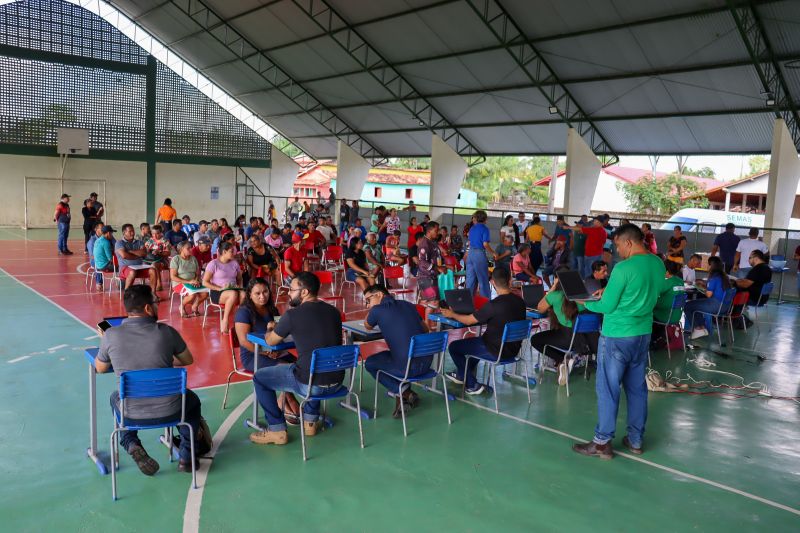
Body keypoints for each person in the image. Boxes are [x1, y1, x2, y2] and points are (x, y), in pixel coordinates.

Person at [573, 224, 665, 459]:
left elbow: (606, 306)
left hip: (617, 335)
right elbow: (648, 292)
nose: (617, 251)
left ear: (629, 242)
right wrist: (611, 292)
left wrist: (585, 302)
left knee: (608, 388)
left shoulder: (623, 268)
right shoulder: (657, 263)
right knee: (636, 389)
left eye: (617, 245)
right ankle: (635, 440)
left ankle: (602, 442)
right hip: (642, 334)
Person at [95, 285, 208, 474]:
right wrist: (163, 357)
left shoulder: (110, 335)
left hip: (132, 412)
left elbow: (100, 368)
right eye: (155, 303)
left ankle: (131, 443)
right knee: (192, 401)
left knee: (116, 397)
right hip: (172, 410)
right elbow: (187, 360)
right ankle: (187, 458)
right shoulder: (167, 332)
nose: (157, 306)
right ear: (148, 308)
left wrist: (107, 342)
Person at [248, 272, 344, 445]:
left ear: (304, 292)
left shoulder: (292, 315)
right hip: (337, 382)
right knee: (314, 367)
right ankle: (310, 422)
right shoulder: (334, 312)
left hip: (311, 386)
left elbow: (270, 341)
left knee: (259, 378)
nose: (289, 294)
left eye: (292, 290)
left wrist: (271, 327)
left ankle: (277, 430)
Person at [442, 267, 526, 395]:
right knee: (476, 345)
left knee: (454, 347)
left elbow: (469, 321)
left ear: (492, 282)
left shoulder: (494, 305)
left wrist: (452, 314)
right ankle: (461, 374)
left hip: (495, 351)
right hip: (513, 349)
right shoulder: (520, 302)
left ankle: (472, 384)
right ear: (510, 280)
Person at [363, 284, 430, 417]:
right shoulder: (408, 304)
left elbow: (367, 326)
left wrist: (371, 310)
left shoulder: (377, 310)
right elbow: (426, 329)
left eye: (368, 300)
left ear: (379, 294)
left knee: (370, 363)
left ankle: (402, 391)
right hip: (427, 364)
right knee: (399, 354)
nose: (367, 304)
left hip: (407, 368)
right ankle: (403, 394)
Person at [530, 266, 597, 386]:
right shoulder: (584, 297)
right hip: (586, 341)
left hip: (566, 339)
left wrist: (553, 287)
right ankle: (571, 359)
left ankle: (561, 359)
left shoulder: (554, 296)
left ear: (557, 279)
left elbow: (540, 308)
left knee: (535, 339)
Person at [683, 256, 730, 339]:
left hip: (715, 305)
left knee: (688, 306)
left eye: (708, 265)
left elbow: (708, 294)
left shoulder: (714, 277)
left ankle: (698, 328)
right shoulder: (724, 276)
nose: (707, 267)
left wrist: (701, 288)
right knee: (696, 304)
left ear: (711, 266)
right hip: (724, 306)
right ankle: (702, 328)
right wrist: (705, 286)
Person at [202, 241, 244, 333]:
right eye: (231, 251)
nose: (234, 253)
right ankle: (225, 320)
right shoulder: (213, 264)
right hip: (218, 292)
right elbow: (205, 282)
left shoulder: (234, 263)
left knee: (244, 295)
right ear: (224, 252)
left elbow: (240, 278)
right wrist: (219, 288)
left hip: (233, 289)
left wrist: (240, 287)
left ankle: (241, 321)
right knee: (232, 294)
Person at [115, 224, 159, 293]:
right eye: (130, 231)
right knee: (132, 272)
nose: (132, 233)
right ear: (124, 233)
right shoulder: (119, 243)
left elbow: (144, 253)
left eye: (133, 231)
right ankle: (127, 295)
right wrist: (137, 255)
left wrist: (130, 251)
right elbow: (124, 255)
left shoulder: (139, 242)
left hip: (140, 267)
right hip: (125, 268)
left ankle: (153, 294)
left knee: (153, 270)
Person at [651, 260, 685, 346]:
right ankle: (661, 337)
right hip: (676, 316)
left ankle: (654, 340)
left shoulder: (667, 282)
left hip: (666, 316)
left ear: (666, 271)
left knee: (648, 312)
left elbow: (654, 292)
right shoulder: (680, 281)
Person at [169, 240, 208, 317]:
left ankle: (195, 306)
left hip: (193, 282)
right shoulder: (176, 259)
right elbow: (173, 277)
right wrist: (189, 281)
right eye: (188, 248)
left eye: (191, 248)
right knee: (192, 294)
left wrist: (196, 280)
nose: (191, 250)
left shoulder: (193, 258)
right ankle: (182, 306)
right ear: (181, 249)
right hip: (179, 284)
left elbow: (197, 273)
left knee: (205, 293)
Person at [466, 210, 494, 298]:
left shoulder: (472, 228)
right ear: (484, 218)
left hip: (470, 253)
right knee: (483, 280)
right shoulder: (485, 229)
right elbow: (485, 244)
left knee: (470, 280)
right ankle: (486, 303)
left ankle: (468, 303)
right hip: (479, 253)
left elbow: (469, 242)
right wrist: (493, 253)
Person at [417, 221, 445, 303]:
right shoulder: (425, 244)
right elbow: (422, 262)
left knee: (432, 303)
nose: (438, 232)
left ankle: (424, 315)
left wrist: (444, 266)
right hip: (425, 277)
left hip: (432, 277)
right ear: (429, 231)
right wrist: (437, 268)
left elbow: (436, 257)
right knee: (433, 303)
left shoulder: (432, 242)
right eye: (436, 231)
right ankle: (422, 316)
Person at [143, 225, 171, 292]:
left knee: (154, 265)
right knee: (143, 264)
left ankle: (159, 284)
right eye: (153, 233)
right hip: (151, 260)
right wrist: (147, 250)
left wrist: (159, 252)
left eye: (157, 233)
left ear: (161, 233)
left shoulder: (165, 241)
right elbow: (145, 250)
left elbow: (168, 253)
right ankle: (146, 283)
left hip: (163, 261)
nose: (155, 235)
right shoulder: (150, 240)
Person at [92, 225, 116, 291]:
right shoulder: (106, 242)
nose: (112, 235)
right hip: (104, 266)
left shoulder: (97, 240)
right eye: (111, 233)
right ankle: (122, 285)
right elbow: (110, 258)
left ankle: (99, 284)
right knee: (122, 267)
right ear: (108, 233)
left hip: (97, 265)